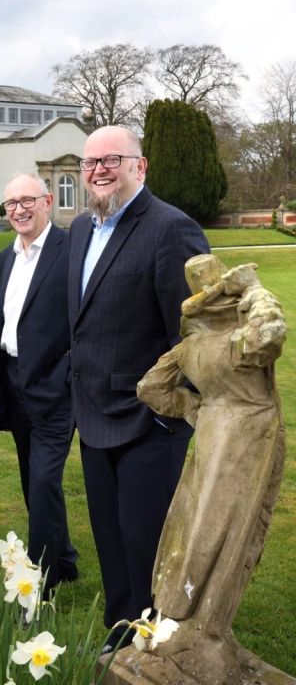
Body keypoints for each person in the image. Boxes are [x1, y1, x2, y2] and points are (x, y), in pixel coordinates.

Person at [67, 125, 209, 653]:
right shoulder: (81, 229)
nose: (99, 170)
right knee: (109, 535)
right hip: (92, 414)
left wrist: (168, 415)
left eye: (112, 159)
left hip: (148, 422)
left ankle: (155, 642)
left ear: (139, 166)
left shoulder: (171, 228)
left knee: (145, 540)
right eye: (90, 162)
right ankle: (121, 633)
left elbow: (192, 334)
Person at [137, 255, 285, 668]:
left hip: (211, 432)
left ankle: (184, 617)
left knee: (198, 521)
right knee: (230, 531)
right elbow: (270, 334)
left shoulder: (189, 348)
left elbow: (149, 388)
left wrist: (193, 407)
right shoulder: (236, 340)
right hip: (248, 439)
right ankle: (204, 629)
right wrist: (254, 289)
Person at [0, 174, 78, 594]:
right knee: (33, 480)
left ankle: (39, 582)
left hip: (55, 386)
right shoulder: (6, 257)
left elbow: (84, 318)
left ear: (48, 201)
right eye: (11, 203)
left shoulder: (71, 250)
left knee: (42, 481)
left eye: (27, 200)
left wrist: (67, 370)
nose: (19, 210)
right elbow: (2, 321)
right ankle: (65, 558)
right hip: (13, 381)